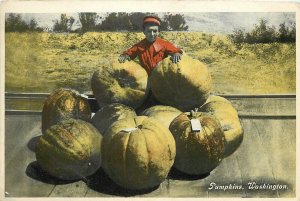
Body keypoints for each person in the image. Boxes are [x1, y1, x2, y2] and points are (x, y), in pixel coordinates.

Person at [118, 15, 183, 75]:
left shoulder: (164, 44)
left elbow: (176, 51)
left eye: (155, 31)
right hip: (146, 78)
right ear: (144, 31)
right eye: (149, 31)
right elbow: (129, 53)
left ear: (158, 31)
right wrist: (125, 56)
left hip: (161, 78)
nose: (152, 34)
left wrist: (176, 54)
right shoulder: (139, 46)